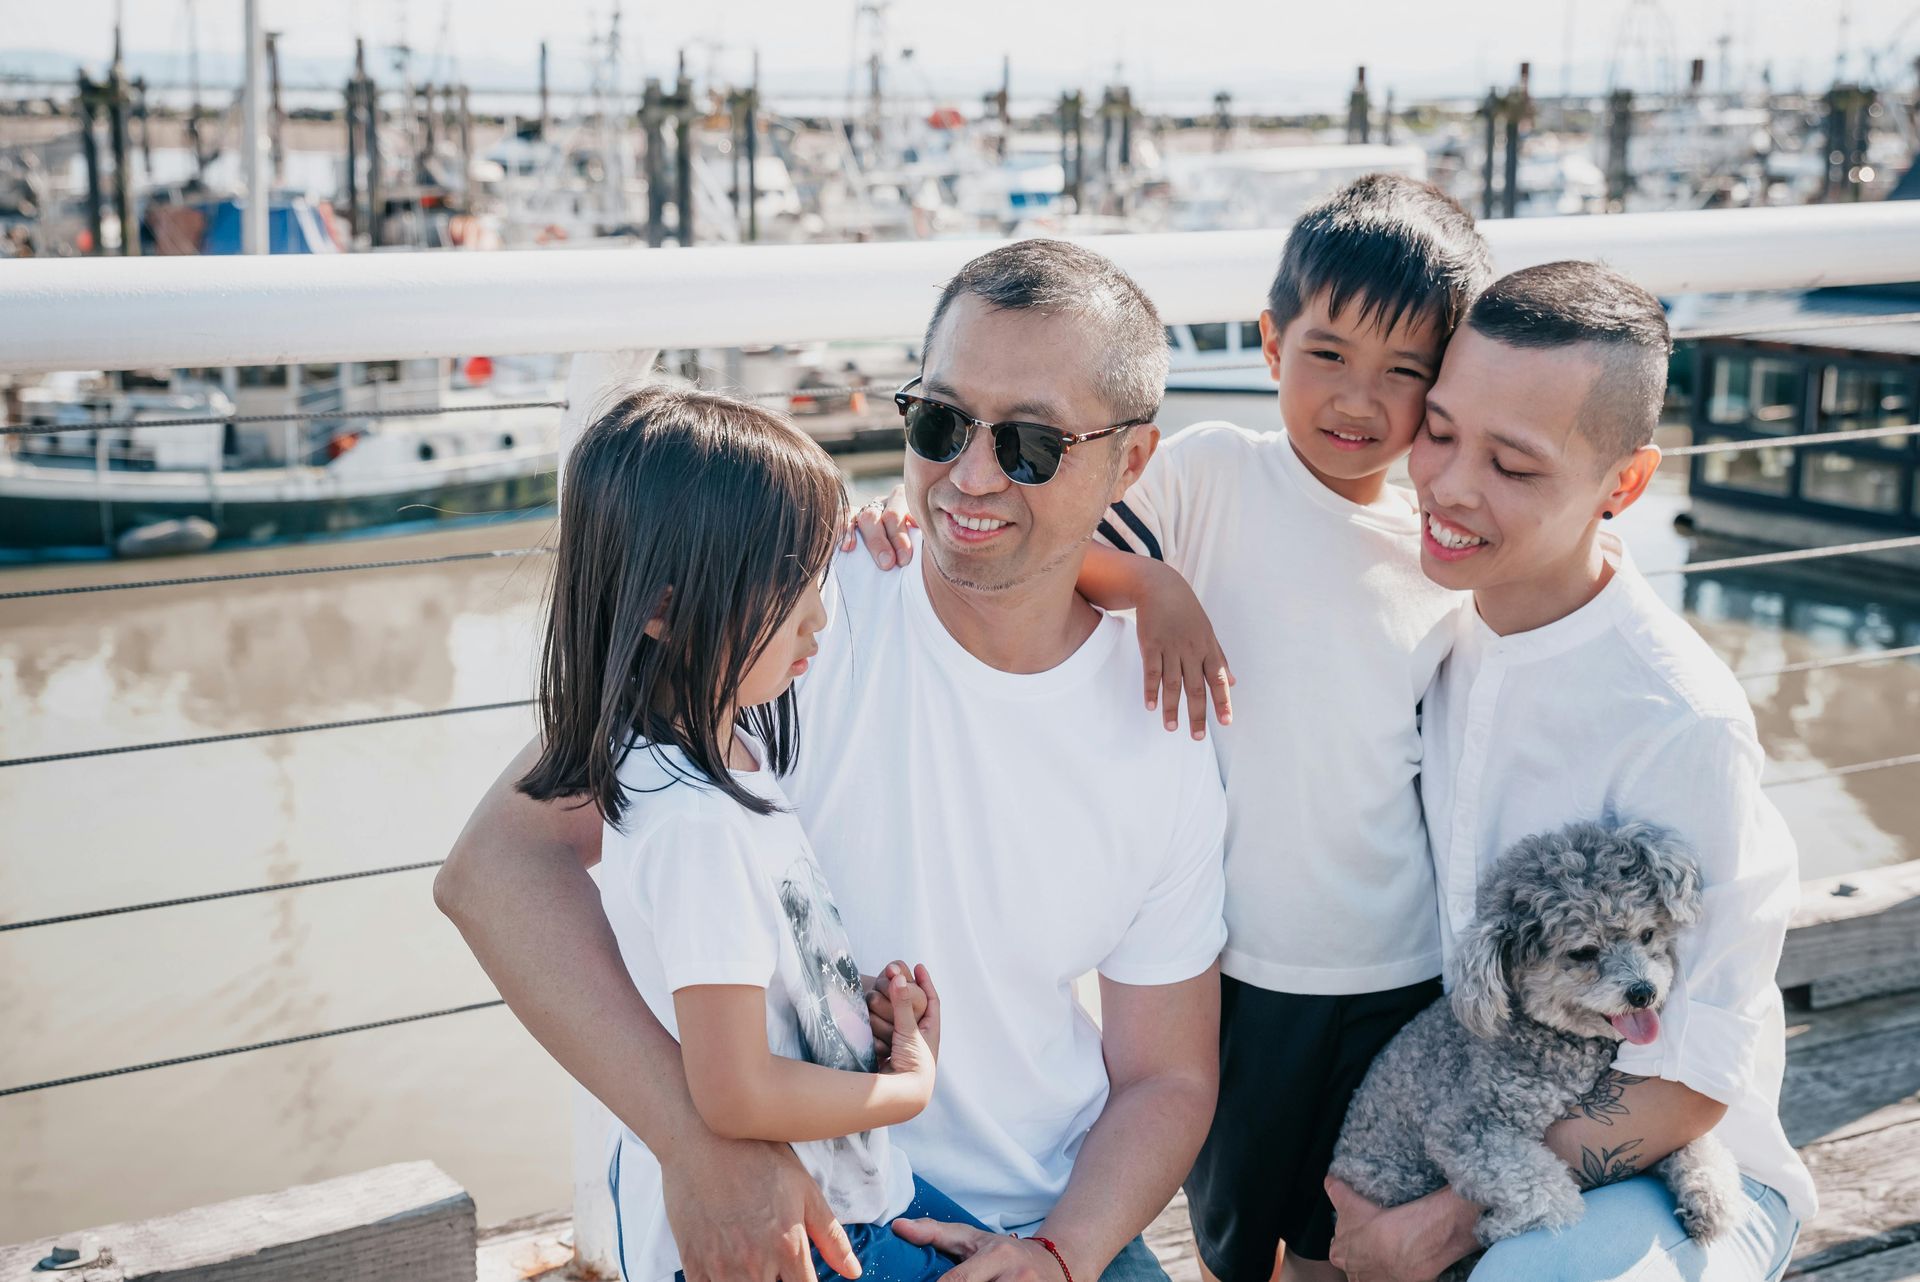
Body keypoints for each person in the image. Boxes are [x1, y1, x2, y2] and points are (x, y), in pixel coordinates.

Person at [435, 239, 1229, 1282]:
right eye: (941, 422)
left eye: (1030, 444)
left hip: (1042, 1217)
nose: (970, 476)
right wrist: (700, 1141)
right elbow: (495, 868)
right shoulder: (790, 619)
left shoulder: (1163, 714)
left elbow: (1166, 1074)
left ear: (1131, 462)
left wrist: (1062, 1251)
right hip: (799, 1223)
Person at [850, 175, 1492, 1282]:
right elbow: (1037, 536)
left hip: (1398, 960)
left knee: (1368, 1229)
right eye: (1328, 354)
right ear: (1269, 343)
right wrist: (1156, 586)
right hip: (1237, 961)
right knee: (1245, 1237)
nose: (1358, 398)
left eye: (1405, 372)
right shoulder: (1208, 474)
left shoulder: (1435, 545)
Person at [1324, 261, 1816, 1282]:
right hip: (1463, 1115)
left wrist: (1446, 1221)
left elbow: (1693, 1080)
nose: (1451, 485)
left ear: (1624, 485)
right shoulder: (1425, 621)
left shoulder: (1679, 720)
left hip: (1681, 1168)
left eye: (1513, 463)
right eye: (1442, 430)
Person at [515, 385, 983, 1282]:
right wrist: (907, 1085)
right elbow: (733, 1090)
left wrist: (861, 1026)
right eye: (793, 584)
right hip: (802, 1239)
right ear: (661, 606)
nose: (821, 613)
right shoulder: (695, 824)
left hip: (859, 1194)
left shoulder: (720, 749)